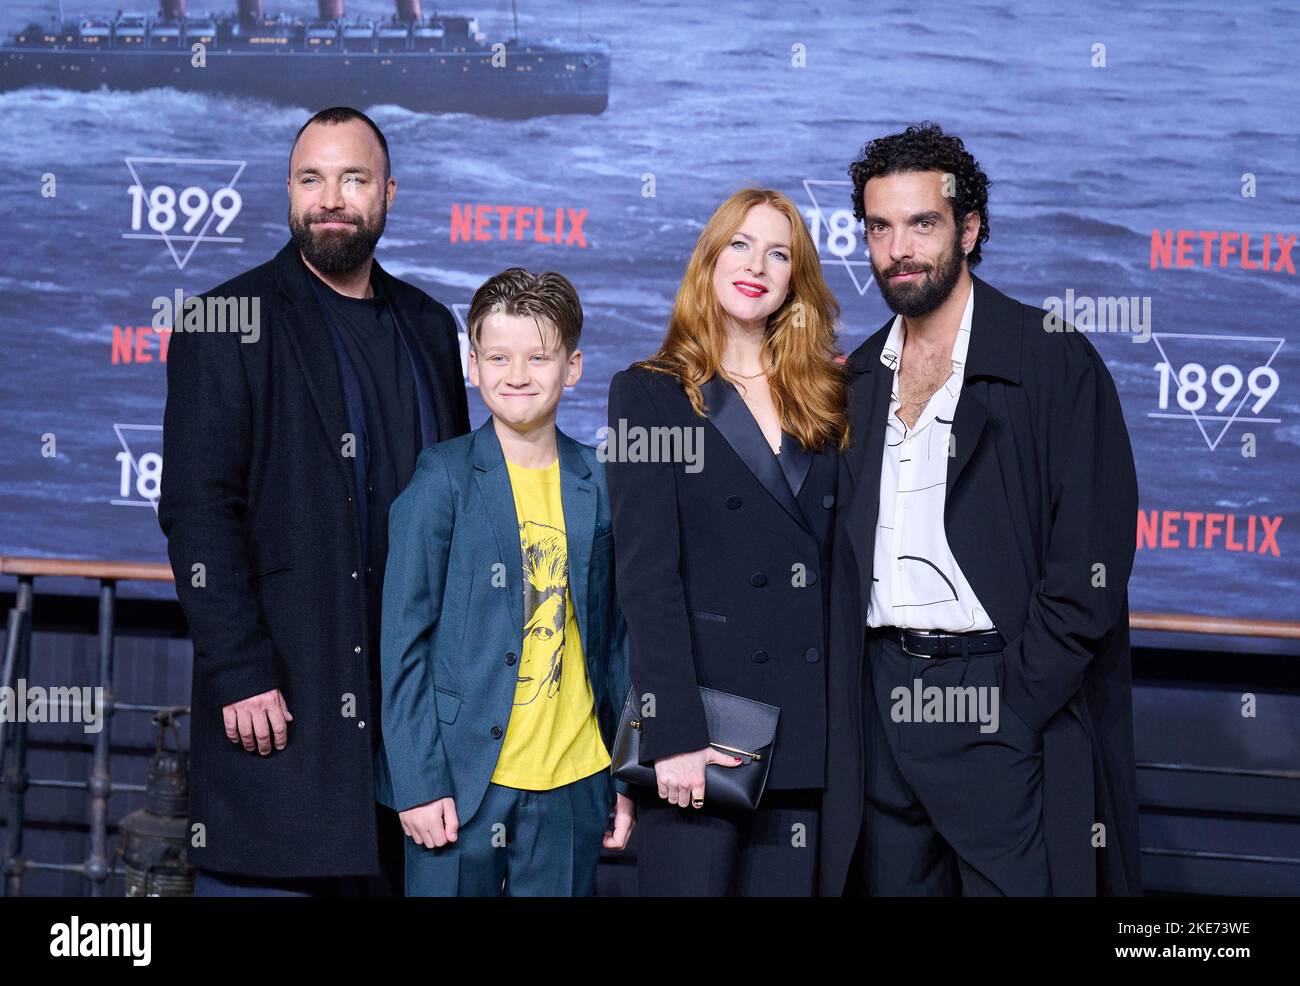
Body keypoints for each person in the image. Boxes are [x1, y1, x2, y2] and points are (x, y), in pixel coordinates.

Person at [819, 122, 1140, 896]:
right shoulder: (856, 377)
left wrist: (1017, 709)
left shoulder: (1051, 357)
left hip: (997, 701)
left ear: (968, 228)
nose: (900, 248)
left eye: (922, 223)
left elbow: (1090, 561)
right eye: (880, 227)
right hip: (879, 709)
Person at [158, 106, 469, 895]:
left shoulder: (431, 327)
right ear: (289, 192)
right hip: (283, 702)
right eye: (311, 179)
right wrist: (238, 668)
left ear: (389, 192)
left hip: (414, 735)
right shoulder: (223, 321)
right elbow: (198, 509)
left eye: (352, 179)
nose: (330, 198)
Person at [605, 188, 848, 896]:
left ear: (795, 277)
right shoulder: (649, 393)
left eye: (779, 253)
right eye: (740, 245)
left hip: (804, 733)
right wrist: (671, 733)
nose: (757, 265)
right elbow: (646, 580)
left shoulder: (828, 396)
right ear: (709, 260)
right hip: (701, 733)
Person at [380, 268, 635, 896]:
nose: (517, 375)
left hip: (577, 778)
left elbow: (623, 642)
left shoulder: (600, 481)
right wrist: (417, 781)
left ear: (572, 367)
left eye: (538, 357)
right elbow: (403, 643)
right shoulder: (442, 479)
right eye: (498, 356)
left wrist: (629, 774)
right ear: (473, 365)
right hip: (458, 783)